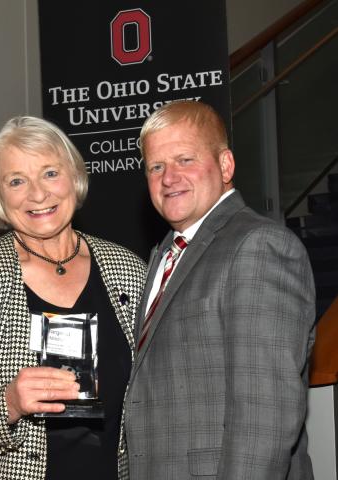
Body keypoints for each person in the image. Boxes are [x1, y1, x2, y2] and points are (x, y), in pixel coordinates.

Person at [0, 116, 146, 480]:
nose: (37, 194)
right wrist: (8, 402)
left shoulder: (127, 270)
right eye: (16, 181)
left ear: (75, 178)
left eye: (50, 173)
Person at [124, 100, 316, 479]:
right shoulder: (164, 254)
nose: (168, 177)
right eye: (156, 167)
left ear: (226, 165)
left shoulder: (257, 246)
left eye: (185, 160)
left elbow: (264, 417)